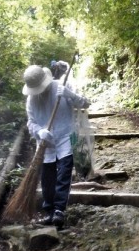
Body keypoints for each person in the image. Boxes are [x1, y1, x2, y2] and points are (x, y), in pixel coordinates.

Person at [22, 64, 90, 228]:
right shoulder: (31, 100)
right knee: (47, 179)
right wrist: (40, 131)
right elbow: (31, 122)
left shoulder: (62, 86)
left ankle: (59, 210)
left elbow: (85, 104)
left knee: (64, 174)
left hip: (67, 135)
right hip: (46, 143)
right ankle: (49, 210)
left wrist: (70, 95)